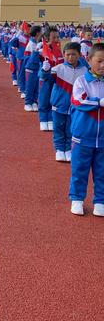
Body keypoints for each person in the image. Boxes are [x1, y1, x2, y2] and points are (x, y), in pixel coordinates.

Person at [69, 43, 104, 216]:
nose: (103, 65)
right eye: (100, 61)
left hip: (103, 138)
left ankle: (100, 201)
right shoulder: (81, 81)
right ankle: (77, 199)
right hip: (82, 135)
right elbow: (78, 101)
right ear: (89, 60)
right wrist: (98, 102)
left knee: (102, 171)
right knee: (79, 169)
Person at [42, 42, 87, 162]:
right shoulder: (58, 69)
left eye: (74, 54)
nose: (70, 57)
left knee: (71, 129)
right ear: (64, 54)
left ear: (79, 55)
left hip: (75, 107)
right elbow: (45, 79)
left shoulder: (84, 70)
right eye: (68, 54)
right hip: (58, 106)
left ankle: (68, 149)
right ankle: (59, 149)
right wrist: (45, 70)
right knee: (58, 129)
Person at [37, 27, 63, 131]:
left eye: (57, 37)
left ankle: (51, 120)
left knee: (54, 100)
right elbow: (38, 70)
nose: (56, 39)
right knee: (44, 100)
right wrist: (44, 69)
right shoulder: (42, 51)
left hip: (57, 81)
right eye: (54, 37)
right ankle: (43, 120)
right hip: (46, 80)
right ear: (47, 38)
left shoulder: (59, 51)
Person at [23, 25, 43, 112]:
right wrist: (38, 50)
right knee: (30, 86)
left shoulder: (36, 42)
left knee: (35, 86)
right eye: (41, 31)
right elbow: (32, 59)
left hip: (36, 67)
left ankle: (34, 102)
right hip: (30, 68)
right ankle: (27, 103)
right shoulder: (32, 44)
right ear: (38, 33)